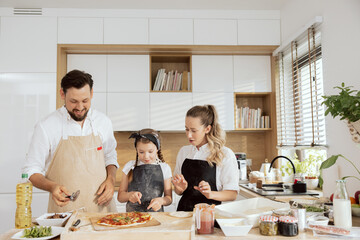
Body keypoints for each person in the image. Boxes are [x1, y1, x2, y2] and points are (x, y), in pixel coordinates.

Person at [22, 69, 118, 213]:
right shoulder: (46, 126)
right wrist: (51, 187)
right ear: (62, 94)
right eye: (73, 101)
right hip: (64, 214)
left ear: (91, 94)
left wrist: (111, 180)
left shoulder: (103, 122)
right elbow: (31, 170)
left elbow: (110, 157)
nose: (80, 108)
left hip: (102, 212)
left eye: (85, 101)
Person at [172, 105, 239, 211]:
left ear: (207, 129)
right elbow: (178, 191)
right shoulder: (184, 152)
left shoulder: (224, 154)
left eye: (194, 131)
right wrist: (179, 189)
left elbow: (232, 194)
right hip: (184, 215)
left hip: (210, 216)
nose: (189, 135)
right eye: (186, 129)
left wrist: (210, 194)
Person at [117, 129, 172, 212]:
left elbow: (169, 198)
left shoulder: (165, 168)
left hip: (156, 217)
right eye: (141, 152)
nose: (146, 156)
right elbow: (120, 197)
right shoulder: (129, 166)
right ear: (136, 150)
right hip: (133, 217)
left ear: (157, 148)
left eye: (150, 151)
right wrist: (129, 195)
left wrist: (160, 201)